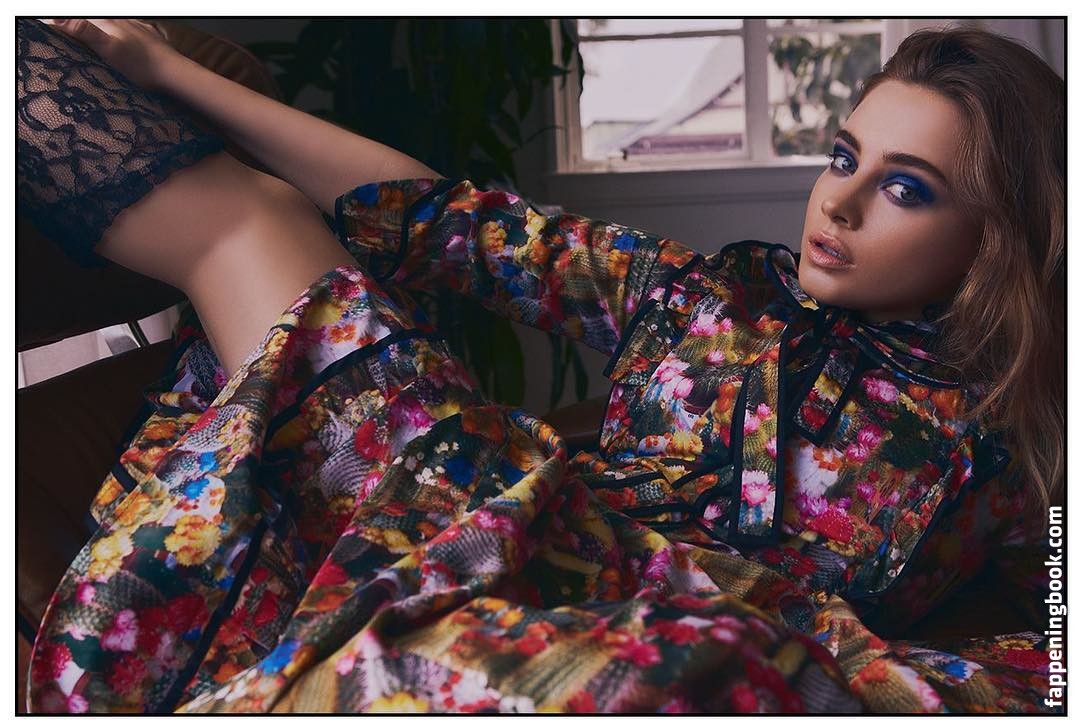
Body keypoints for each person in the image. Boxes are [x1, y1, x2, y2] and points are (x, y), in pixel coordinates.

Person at [19, 18, 1063, 713]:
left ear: (999, 236)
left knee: (677, 671)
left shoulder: (1011, 438)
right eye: (843, 157)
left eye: (906, 188)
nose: (838, 202)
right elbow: (449, 223)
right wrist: (170, 74)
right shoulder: (709, 294)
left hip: (674, 644)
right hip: (493, 512)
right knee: (259, 221)